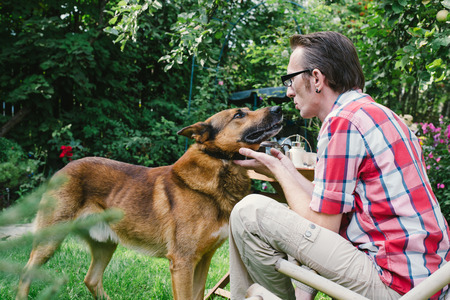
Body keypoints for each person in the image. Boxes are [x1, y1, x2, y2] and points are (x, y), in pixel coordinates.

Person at [229, 31, 450, 300]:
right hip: (429, 280)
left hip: (397, 286)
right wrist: (283, 165)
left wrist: (278, 172)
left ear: (317, 79)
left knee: (248, 212)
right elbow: (325, 207)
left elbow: (322, 228)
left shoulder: (343, 123)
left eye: (290, 79)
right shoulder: (378, 114)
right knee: (281, 220)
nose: (288, 91)